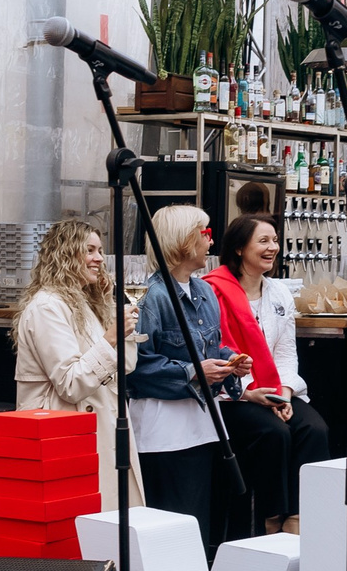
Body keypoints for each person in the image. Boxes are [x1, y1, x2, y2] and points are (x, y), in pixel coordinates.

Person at [209, 214, 331, 536]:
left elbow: (286, 353)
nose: (273, 247)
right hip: (232, 395)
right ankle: (270, 518)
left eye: (275, 240)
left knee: (315, 429)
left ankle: (301, 516)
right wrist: (249, 393)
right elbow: (213, 352)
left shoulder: (278, 292)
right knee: (274, 433)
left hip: (275, 388)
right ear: (239, 248)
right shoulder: (213, 292)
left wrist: (284, 394)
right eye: (263, 241)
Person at [124, 205, 241, 537]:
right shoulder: (152, 297)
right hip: (165, 430)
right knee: (175, 524)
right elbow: (136, 366)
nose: (211, 241)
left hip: (203, 423)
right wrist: (194, 371)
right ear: (184, 240)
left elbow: (211, 348)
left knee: (199, 520)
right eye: (205, 234)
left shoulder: (204, 291)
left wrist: (231, 361)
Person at [13, 218, 140, 510]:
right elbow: (70, 384)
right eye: (89, 250)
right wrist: (111, 337)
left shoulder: (85, 301)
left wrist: (114, 312)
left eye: (100, 251)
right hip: (65, 433)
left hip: (98, 427)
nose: (99, 259)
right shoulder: (47, 306)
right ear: (65, 255)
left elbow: (127, 366)